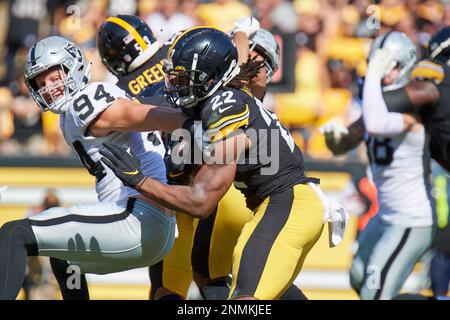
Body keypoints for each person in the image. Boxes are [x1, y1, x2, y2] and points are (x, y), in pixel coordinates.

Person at [100, 27, 347, 300]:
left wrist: (140, 181)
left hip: (286, 203)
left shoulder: (223, 108)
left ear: (211, 77)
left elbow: (200, 201)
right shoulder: (224, 95)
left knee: (243, 300)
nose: (175, 85)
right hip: (281, 204)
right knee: (224, 283)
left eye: (185, 78)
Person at [0, 35, 189, 300]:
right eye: (41, 83)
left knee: (14, 233)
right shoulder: (75, 111)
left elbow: (139, 115)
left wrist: (188, 124)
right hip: (153, 228)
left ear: (72, 67)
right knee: (64, 257)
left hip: (137, 217)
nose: (48, 88)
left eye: (54, 77)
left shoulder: (83, 102)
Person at [324, 31, 436, 300]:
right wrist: (334, 139)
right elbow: (344, 144)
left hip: (411, 220)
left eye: (390, 65)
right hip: (385, 216)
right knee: (359, 277)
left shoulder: (411, 109)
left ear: (405, 66)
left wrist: (373, 75)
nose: (384, 72)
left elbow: (375, 123)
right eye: (380, 64)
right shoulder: (377, 106)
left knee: (374, 294)